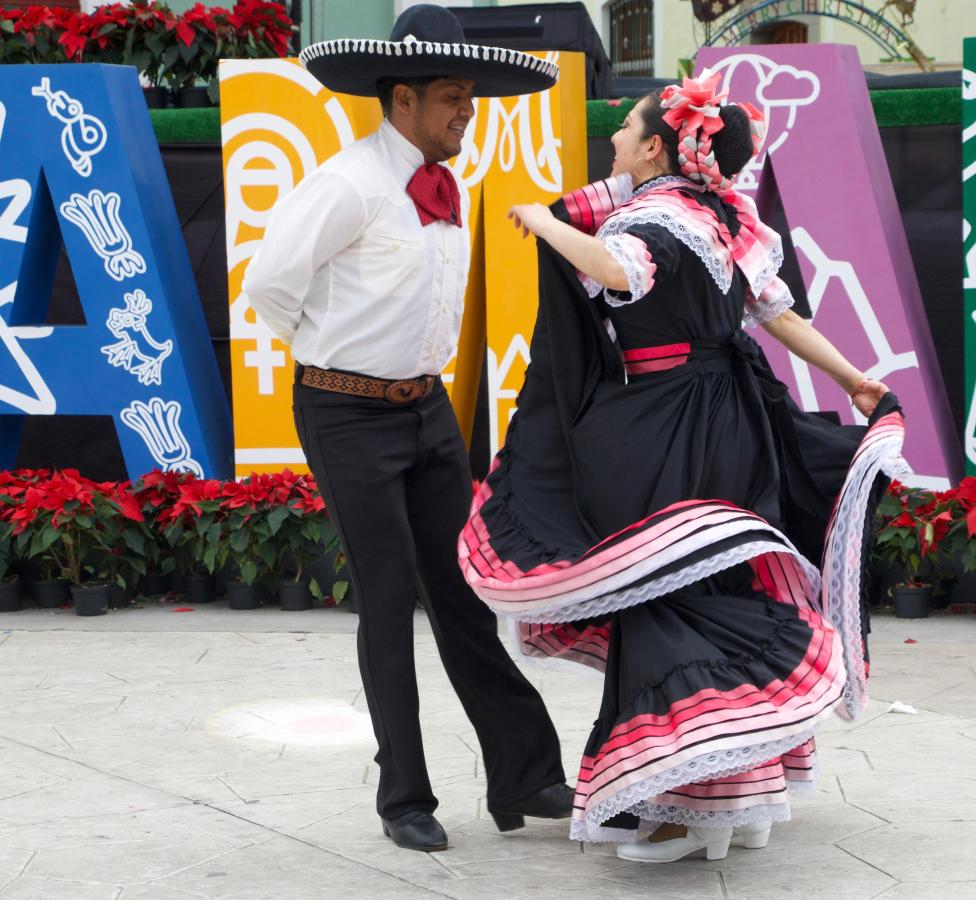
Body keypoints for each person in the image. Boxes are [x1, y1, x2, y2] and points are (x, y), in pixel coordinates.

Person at [458, 71, 907, 862]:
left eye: (626, 129)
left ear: (657, 148)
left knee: (666, 600)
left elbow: (618, 270)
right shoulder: (721, 215)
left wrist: (544, 222)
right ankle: (749, 797)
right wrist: (852, 379)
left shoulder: (657, 220)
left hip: (668, 428)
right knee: (723, 588)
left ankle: (687, 809)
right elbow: (779, 315)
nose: (613, 139)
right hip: (733, 420)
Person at [242, 5, 573, 853]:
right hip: (345, 411)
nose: (467, 111)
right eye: (452, 96)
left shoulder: (443, 184)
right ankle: (404, 798)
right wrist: (332, 354)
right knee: (387, 600)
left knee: (463, 593)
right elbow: (270, 284)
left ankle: (527, 775)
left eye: (469, 96)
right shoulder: (347, 184)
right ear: (403, 99)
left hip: (427, 409)